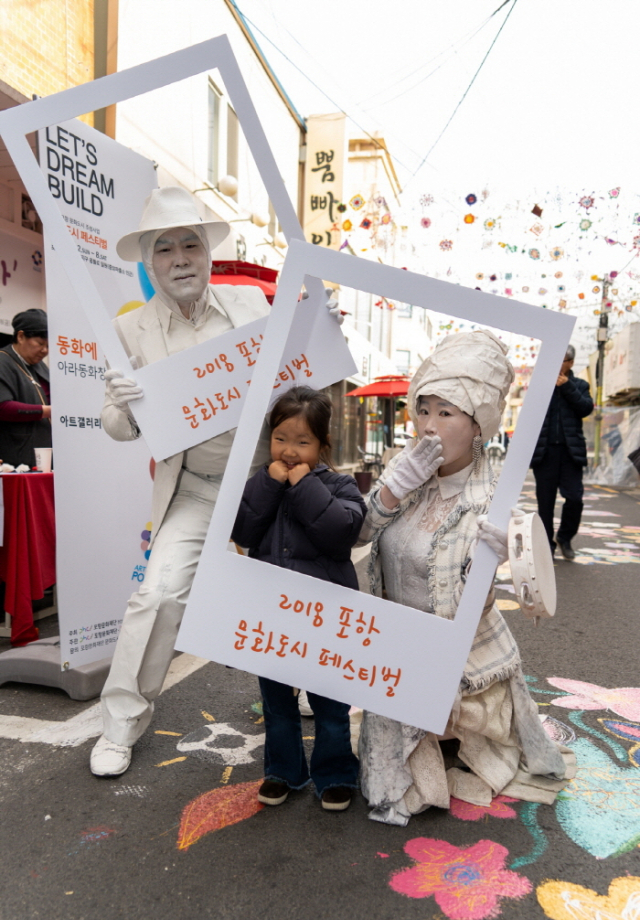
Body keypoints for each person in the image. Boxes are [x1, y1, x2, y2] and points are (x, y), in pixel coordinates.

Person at [90, 187, 276, 777]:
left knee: (297, 591)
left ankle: (305, 703)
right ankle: (119, 725)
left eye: (190, 244)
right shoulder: (133, 332)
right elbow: (118, 428)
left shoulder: (255, 307)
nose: (179, 258)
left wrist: (318, 329)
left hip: (266, 482)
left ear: (208, 253)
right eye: (164, 248)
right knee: (157, 594)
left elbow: (303, 376)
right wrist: (122, 406)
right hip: (194, 488)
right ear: (150, 264)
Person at [357, 330, 574, 826]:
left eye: (446, 412)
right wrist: (392, 489)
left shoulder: (494, 497)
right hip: (392, 644)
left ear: (478, 426)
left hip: (460, 657)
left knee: (415, 774)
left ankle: (454, 735)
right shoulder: (402, 467)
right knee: (387, 778)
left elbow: (483, 604)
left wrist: (499, 564)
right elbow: (356, 536)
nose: (429, 426)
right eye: (424, 408)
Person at [231, 386, 365, 811]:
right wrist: (270, 487)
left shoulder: (341, 485)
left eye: (302, 442)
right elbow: (244, 532)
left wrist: (304, 484)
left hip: (325, 615)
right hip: (273, 612)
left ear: (323, 446)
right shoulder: (260, 482)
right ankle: (283, 771)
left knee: (329, 700)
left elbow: (341, 533)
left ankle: (335, 773)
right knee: (276, 699)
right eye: (280, 439)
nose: (289, 451)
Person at [531, 344, 594, 560]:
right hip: (545, 454)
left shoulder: (580, 385)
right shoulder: (541, 385)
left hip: (571, 453)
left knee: (574, 498)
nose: (558, 364)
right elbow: (530, 414)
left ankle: (565, 538)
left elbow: (585, 408)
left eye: (563, 360)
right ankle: (547, 544)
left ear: (571, 363)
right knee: (545, 504)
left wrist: (567, 386)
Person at [0, 309, 51, 468]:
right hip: (14, 455)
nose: (45, 351)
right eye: (40, 344)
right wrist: (49, 411)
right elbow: (3, 407)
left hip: (45, 451)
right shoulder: (3, 361)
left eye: (48, 346)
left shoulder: (41, 366)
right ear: (20, 336)